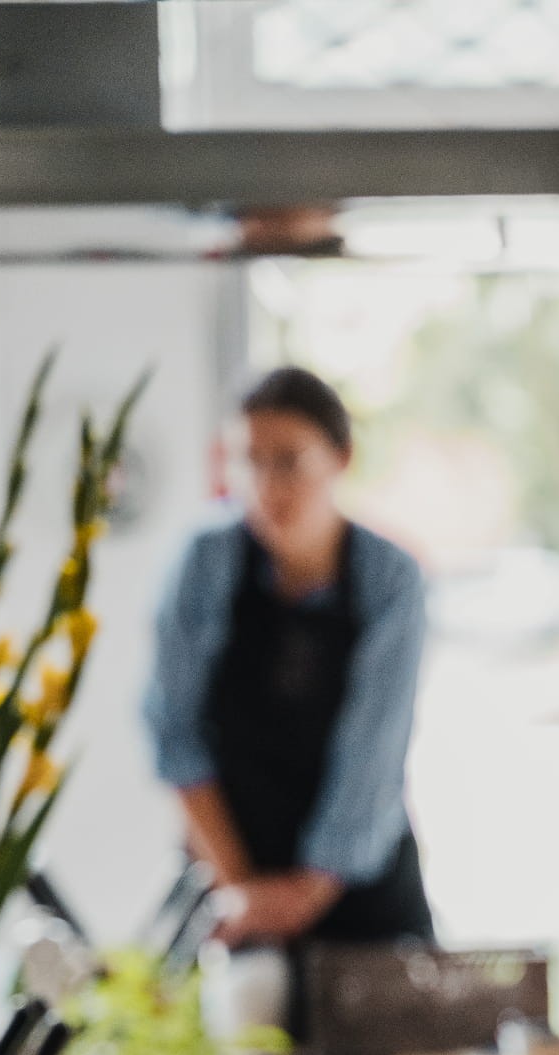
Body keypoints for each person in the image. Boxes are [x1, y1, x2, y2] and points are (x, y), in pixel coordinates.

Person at [145, 366, 433, 983]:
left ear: (341, 458)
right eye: (247, 461)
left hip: (359, 898)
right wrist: (241, 891)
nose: (264, 485)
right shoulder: (203, 562)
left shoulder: (391, 582)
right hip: (227, 886)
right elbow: (174, 732)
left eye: (288, 461)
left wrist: (301, 895)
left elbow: (372, 753)